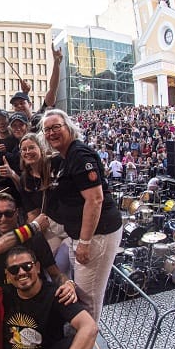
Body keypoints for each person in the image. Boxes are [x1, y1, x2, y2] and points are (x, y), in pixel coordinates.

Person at [41, 109, 123, 321]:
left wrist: (84, 242)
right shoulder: (66, 156)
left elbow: (95, 199)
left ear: (69, 128)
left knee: (88, 299)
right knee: (81, 292)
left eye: (56, 127)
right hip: (82, 235)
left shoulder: (79, 154)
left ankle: (87, 346)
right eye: (47, 129)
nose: (51, 133)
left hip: (97, 235)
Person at [0, 193, 74, 289]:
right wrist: (35, 226)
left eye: (8, 213)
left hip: (36, 293)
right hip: (6, 295)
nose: (3, 219)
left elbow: (55, 274)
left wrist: (68, 285)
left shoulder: (35, 237)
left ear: (16, 213)